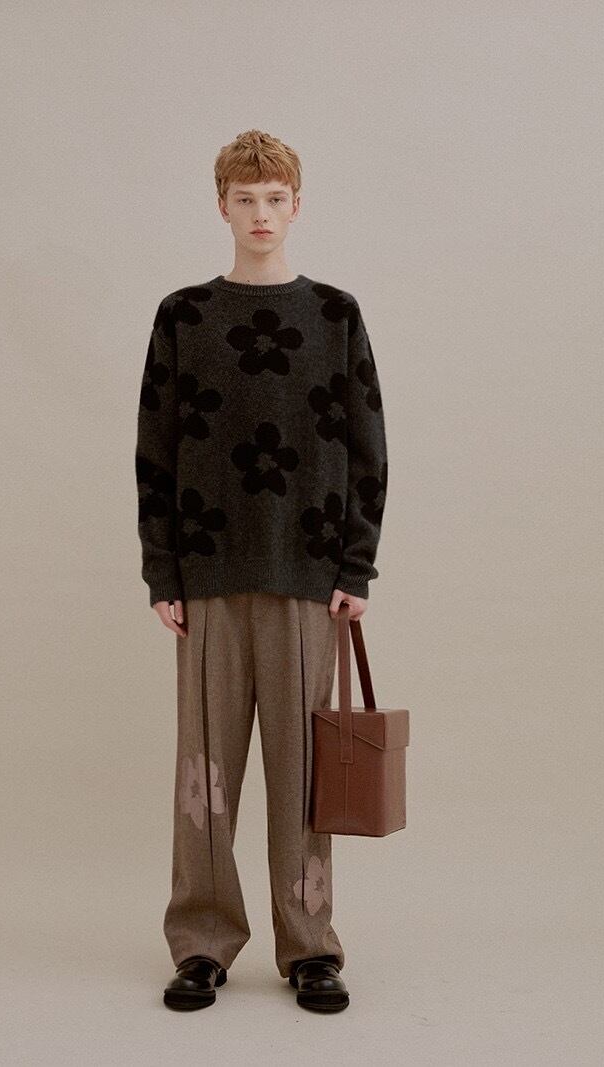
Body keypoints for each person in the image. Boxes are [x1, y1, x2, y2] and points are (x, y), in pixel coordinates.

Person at [135, 129, 388, 1013]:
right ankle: (201, 941)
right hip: (206, 575)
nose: (260, 214)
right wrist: (161, 570)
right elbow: (155, 449)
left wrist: (356, 562)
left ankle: (309, 944)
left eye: (275, 198)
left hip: (307, 576)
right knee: (203, 775)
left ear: (296, 204)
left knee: (301, 772)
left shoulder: (334, 315)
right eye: (245, 199)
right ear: (222, 207)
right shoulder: (183, 316)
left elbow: (367, 447)